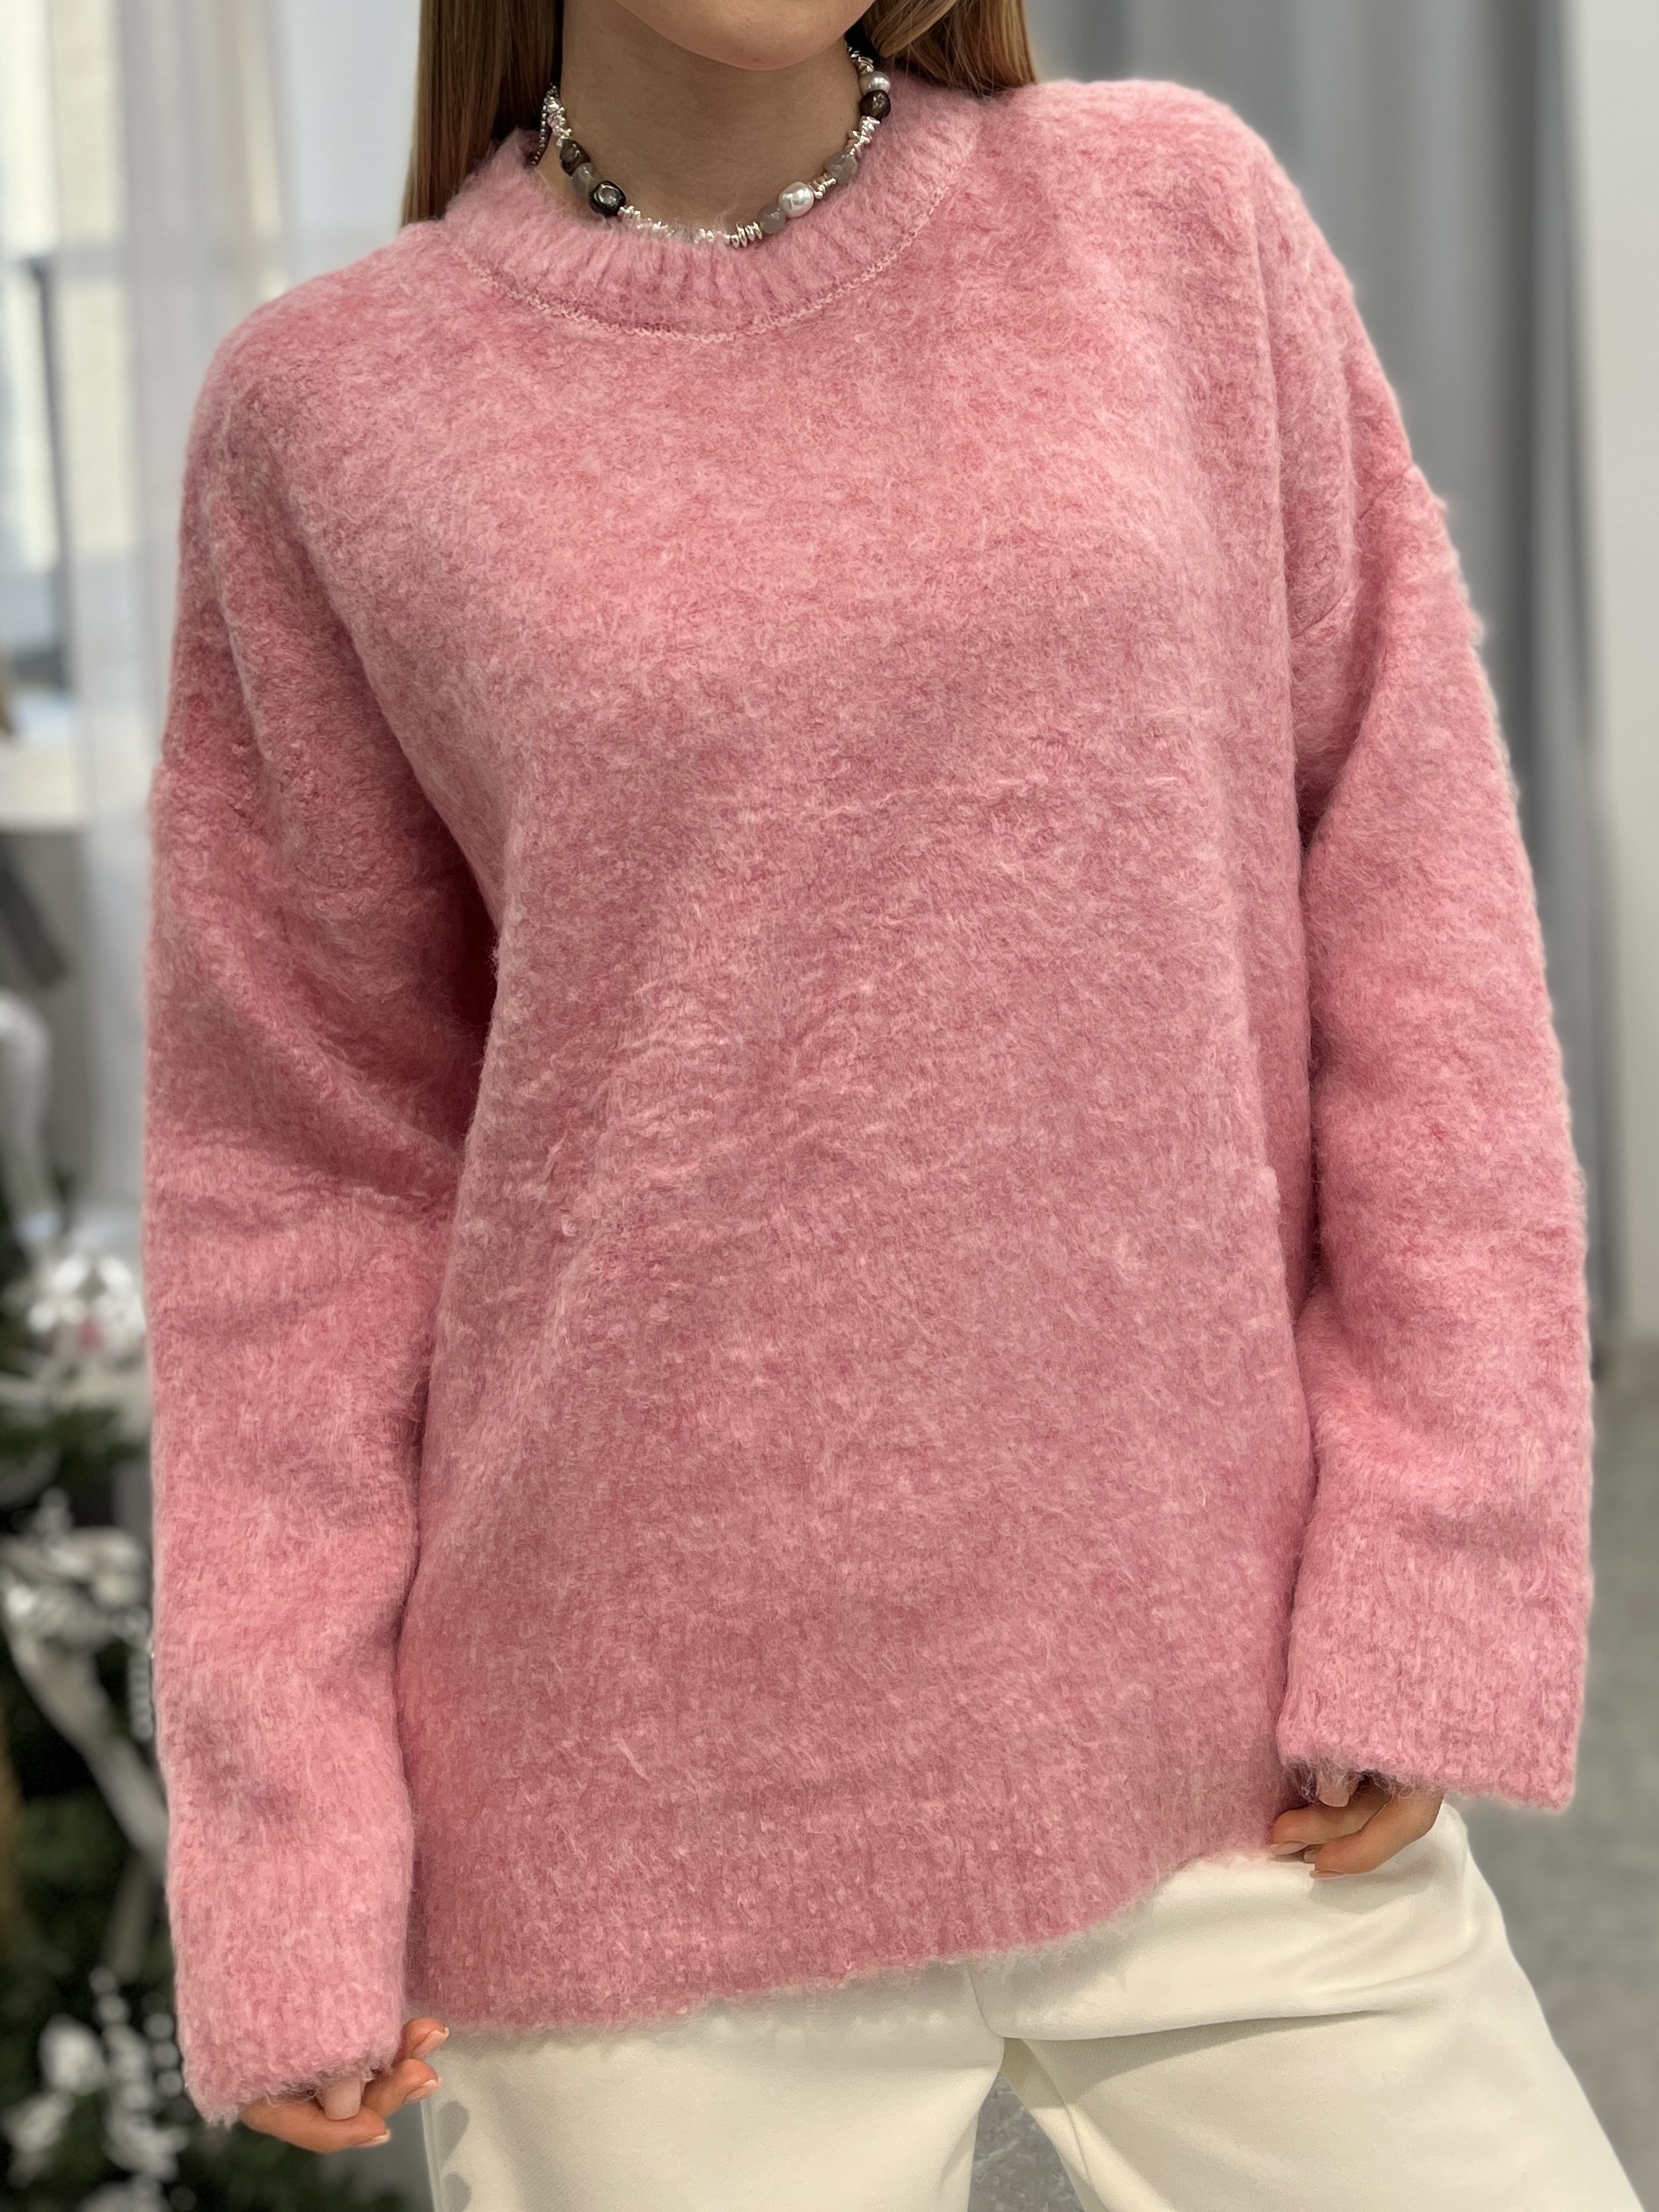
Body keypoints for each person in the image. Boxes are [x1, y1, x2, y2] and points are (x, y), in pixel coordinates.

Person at [137, 0, 1642, 2205]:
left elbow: (1417, 939)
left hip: (1234, 1752)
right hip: (637, 1848)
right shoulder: (332, 408)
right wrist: (285, 1836)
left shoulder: (1172, 227)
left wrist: (1432, 1568)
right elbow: (300, 1176)